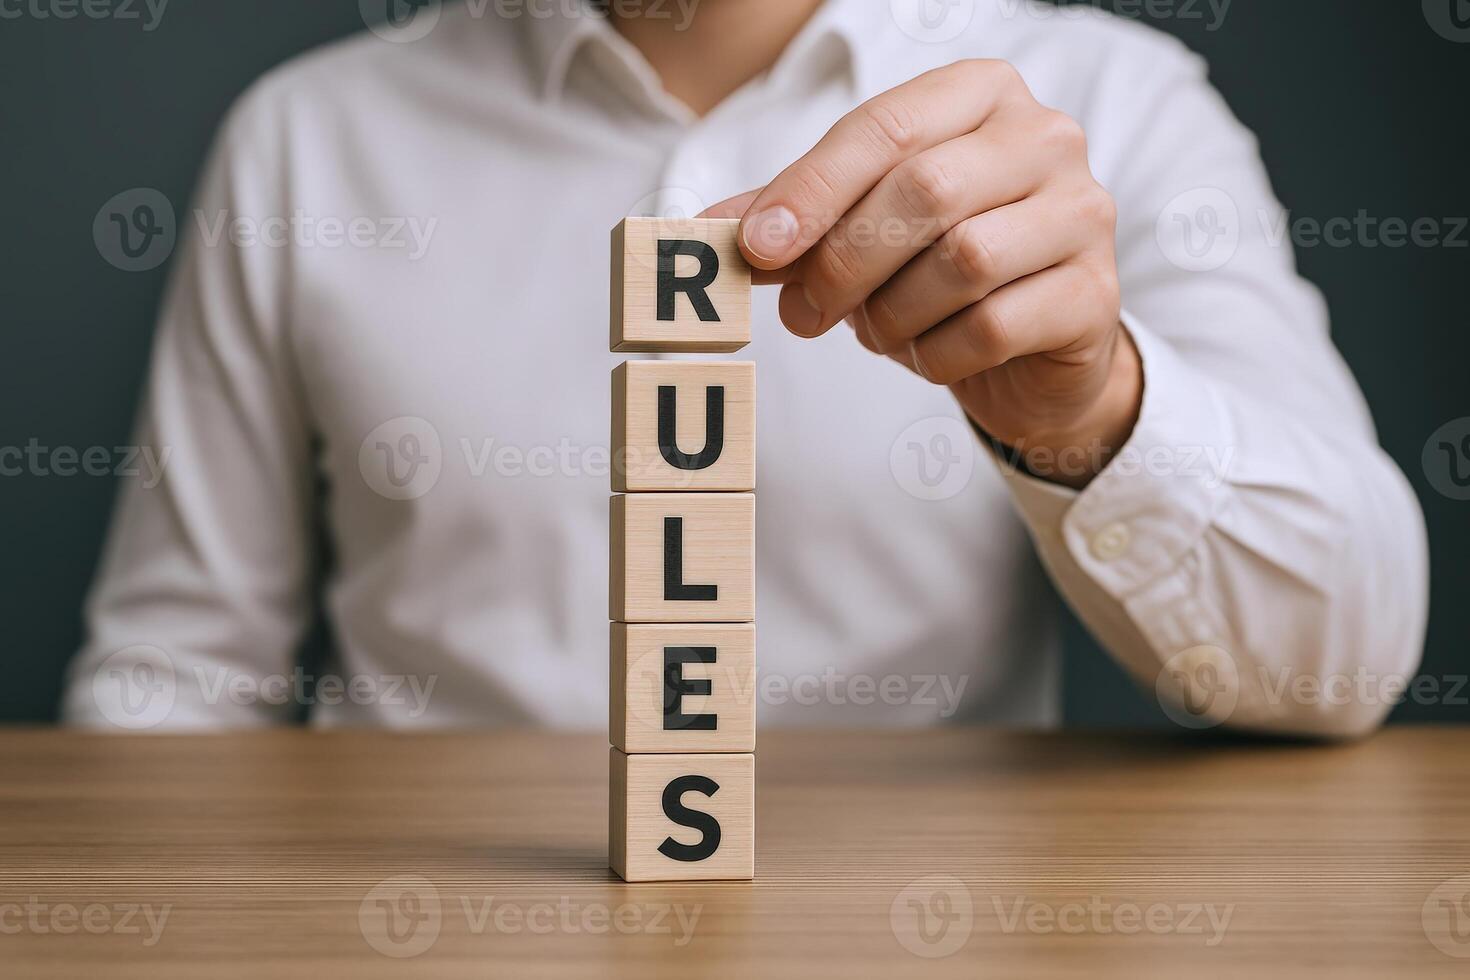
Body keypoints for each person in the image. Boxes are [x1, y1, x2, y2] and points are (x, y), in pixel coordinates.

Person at [63, 0, 1427, 735]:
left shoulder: (1109, 101)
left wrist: (1089, 410)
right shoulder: (307, 137)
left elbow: (1341, 671)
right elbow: (174, 673)